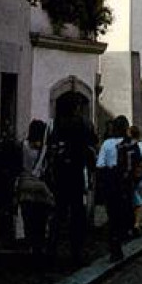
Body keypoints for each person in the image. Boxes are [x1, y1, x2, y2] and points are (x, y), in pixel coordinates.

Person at [46, 107, 96, 267]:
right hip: (75, 177)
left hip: (60, 178)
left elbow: (51, 153)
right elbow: (91, 151)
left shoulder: (57, 127)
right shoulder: (82, 126)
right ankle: (76, 253)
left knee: (58, 215)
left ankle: (52, 251)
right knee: (77, 217)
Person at [96, 115, 141, 262]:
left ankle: (114, 245)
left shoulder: (107, 144)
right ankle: (118, 242)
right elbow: (138, 165)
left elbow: (100, 165)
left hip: (110, 183)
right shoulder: (132, 144)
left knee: (113, 215)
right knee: (126, 214)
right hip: (126, 184)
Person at [16, 119, 54, 263]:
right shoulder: (44, 149)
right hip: (39, 186)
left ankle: (30, 246)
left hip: (24, 184)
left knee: (28, 219)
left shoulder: (23, 146)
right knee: (41, 218)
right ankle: (39, 247)